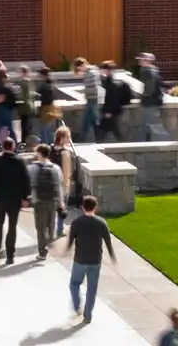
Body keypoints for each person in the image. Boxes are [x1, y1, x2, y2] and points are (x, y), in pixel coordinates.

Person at [63, 193, 117, 324]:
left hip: (80, 260)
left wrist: (66, 250)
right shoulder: (101, 222)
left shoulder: (76, 222)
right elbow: (108, 241)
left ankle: (77, 306)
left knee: (74, 284)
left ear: (82, 207)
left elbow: (70, 240)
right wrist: (112, 255)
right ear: (95, 208)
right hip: (95, 261)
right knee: (92, 289)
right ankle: (88, 315)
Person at [0, 137, 31, 264]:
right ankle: (10, 255)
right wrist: (25, 197)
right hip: (14, 199)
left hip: (0, 199)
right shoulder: (20, 162)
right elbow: (26, 181)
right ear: (13, 147)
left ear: (2, 147)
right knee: (12, 226)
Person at [28, 143, 64, 260]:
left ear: (39, 153)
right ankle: (49, 241)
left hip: (39, 201)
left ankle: (42, 251)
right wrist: (61, 202)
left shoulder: (33, 168)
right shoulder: (56, 168)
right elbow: (59, 186)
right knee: (51, 223)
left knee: (40, 227)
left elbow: (32, 185)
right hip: (53, 201)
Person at [49, 124, 76, 234]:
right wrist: (67, 186)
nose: (69, 139)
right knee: (62, 207)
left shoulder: (50, 150)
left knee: (51, 208)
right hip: (61, 184)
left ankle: (50, 229)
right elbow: (67, 172)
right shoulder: (65, 153)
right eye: (68, 137)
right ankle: (59, 229)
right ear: (61, 138)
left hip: (50, 183)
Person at [135, 53, 166, 141]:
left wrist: (146, 95)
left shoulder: (146, 71)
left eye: (141, 59)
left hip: (150, 101)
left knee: (152, 123)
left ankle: (162, 141)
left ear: (146, 61)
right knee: (148, 123)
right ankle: (145, 141)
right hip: (156, 100)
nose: (139, 61)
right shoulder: (154, 69)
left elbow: (150, 86)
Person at [98, 61, 131, 141]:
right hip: (115, 111)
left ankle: (98, 144)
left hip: (112, 112)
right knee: (114, 130)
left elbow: (113, 98)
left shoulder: (113, 83)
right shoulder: (110, 81)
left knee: (106, 130)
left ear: (107, 70)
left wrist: (110, 112)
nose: (101, 72)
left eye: (102, 70)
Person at [73, 57, 100, 143]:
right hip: (92, 99)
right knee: (93, 121)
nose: (80, 71)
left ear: (82, 65)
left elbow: (93, 87)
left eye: (79, 69)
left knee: (87, 121)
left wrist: (85, 91)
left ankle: (82, 140)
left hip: (92, 99)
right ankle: (99, 139)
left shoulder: (90, 73)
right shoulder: (93, 71)